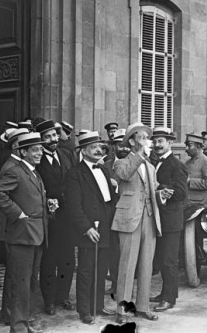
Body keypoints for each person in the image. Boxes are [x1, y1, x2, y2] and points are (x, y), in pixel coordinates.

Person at [111, 122, 172, 323]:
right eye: (142, 137)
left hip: (149, 217)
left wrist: (160, 194)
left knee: (147, 265)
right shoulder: (121, 162)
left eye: (148, 137)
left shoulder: (150, 166)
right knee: (127, 266)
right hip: (129, 218)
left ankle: (143, 307)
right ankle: (122, 311)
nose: (148, 141)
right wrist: (137, 154)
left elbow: (150, 190)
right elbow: (124, 175)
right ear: (132, 141)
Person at [0, 132, 49, 333]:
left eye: (41, 149)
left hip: (36, 235)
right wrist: (18, 213)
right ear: (22, 151)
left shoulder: (34, 172)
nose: (39, 153)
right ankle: (18, 326)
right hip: (21, 236)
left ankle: (22, 322)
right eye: (34, 150)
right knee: (20, 284)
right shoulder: (15, 171)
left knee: (30, 283)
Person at [64, 131, 118, 324]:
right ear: (84, 151)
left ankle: (97, 305)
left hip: (105, 226)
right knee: (86, 270)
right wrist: (86, 227)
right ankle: (84, 310)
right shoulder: (75, 173)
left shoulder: (103, 170)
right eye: (94, 147)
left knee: (102, 269)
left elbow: (110, 199)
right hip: (89, 228)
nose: (98, 150)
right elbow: (74, 205)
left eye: (100, 147)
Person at [34, 119, 77, 315]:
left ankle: (63, 296)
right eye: (47, 137)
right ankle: (49, 300)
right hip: (48, 218)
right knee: (49, 259)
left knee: (67, 258)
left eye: (54, 135)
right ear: (40, 140)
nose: (53, 140)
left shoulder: (67, 154)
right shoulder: (36, 159)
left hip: (68, 217)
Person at [149, 127, 188, 312]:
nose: (157, 145)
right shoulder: (155, 162)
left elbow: (180, 193)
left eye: (161, 141)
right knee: (162, 259)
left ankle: (169, 299)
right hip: (158, 219)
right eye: (154, 141)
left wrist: (159, 187)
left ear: (170, 142)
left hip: (171, 221)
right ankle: (165, 293)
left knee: (169, 260)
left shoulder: (176, 165)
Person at [0, 128, 31, 325]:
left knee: (15, 273)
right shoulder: (12, 167)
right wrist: (18, 213)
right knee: (15, 274)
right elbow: (0, 195)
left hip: (16, 225)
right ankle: (10, 313)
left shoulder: (17, 165)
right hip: (13, 225)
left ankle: (11, 312)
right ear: (17, 146)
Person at [102, 128, 129, 296]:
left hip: (127, 215)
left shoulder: (134, 165)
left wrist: (116, 186)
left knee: (126, 252)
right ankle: (114, 284)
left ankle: (126, 288)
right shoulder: (105, 165)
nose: (124, 148)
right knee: (112, 251)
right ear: (114, 146)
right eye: (120, 145)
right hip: (109, 215)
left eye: (127, 145)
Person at [183, 134, 207, 206]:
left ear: (198, 146)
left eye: (189, 145)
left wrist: (189, 181)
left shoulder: (206, 162)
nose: (186, 148)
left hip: (200, 205)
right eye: (186, 145)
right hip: (186, 203)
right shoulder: (187, 163)